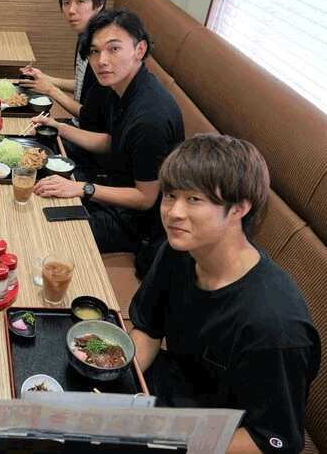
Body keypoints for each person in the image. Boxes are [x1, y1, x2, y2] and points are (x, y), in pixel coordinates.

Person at [129, 134, 321, 453]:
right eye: (171, 195)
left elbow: (271, 440)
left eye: (194, 199)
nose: (174, 212)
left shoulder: (274, 326)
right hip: (167, 392)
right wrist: (117, 373)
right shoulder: (178, 251)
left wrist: (165, 437)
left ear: (239, 208)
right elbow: (148, 329)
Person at [33, 9, 184, 277]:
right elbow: (111, 142)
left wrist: (82, 188)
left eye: (114, 49)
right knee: (41, 181)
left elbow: (145, 199)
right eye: (95, 51)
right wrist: (60, 128)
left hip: (136, 222)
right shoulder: (123, 86)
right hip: (112, 185)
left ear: (139, 49)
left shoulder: (150, 118)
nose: (102, 60)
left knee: (49, 228)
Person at [18, 0, 106, 121]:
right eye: (66, 3)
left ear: (98, 5)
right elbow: (84, 85)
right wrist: (45, 78)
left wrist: (51, 90)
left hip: (88, 131)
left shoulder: (102, 51)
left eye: (80, 2)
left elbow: (91, 118)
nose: (71, 10)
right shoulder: (85, 36)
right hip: (78, 124)